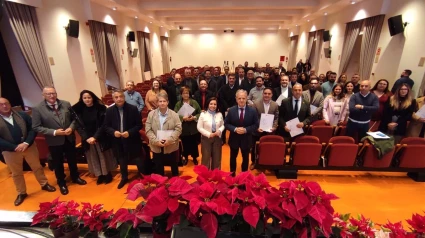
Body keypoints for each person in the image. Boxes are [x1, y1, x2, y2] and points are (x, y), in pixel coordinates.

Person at [0, 97, 56, 206]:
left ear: (10, 104)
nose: (4, 106)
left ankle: (44, 184)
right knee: (16, 173)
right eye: (1, 104)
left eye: (6, 103)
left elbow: (32, 129)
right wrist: (14, 147)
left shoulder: (22, 115)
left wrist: (26, 143)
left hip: (29, 147)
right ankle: (22, 193)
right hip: (10, 151)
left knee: (37, 167)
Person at [32, 86, 86, 195]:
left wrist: (71, 128)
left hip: (69, 138)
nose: (52, 96)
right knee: (58, 163)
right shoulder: (37, 108)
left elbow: (74, 119)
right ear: (43, 95)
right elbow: (36, 127)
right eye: (48, 94)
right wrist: (55, 132)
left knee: (72, 159)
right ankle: (62, 182)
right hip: (54, 140)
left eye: (53, 93)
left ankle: (75, 177)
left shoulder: (66, 103)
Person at [71, 90, 117, 185]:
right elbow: (78, 126)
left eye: (89, 97)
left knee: (103, 157)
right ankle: (99, 175)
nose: (87, 100)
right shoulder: (78, 111)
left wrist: (95, 137)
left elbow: (104, 124)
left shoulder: (101, 108)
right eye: (85, 98)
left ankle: (107, 174)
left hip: (100, 137)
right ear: (82, 99)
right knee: (93, 157)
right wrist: (86, 137)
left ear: (92, 98)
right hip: (88, 139)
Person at [104, 90, 144, 189]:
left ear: (124, 97)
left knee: (138, 159)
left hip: (132, 139)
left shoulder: (133, 109)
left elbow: (139, 125)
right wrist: (113, 132)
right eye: (116, 97)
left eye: (121, 96)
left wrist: (129, 132)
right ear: (113, 99)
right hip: (118, 141)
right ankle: (124, 177)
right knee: (122, 160)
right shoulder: (109, 111)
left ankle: (143, 177)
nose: (119, 99)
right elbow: (106, 126)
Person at [145, 92, 182, 176]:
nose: (162, 103)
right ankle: (161, 184)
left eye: (164, 101)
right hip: (156, 145)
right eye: (160, 101)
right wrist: (155, 141)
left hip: (171, 145)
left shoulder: (174, 115)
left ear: (167, 102)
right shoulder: (151, 114)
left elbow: (178, 129)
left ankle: (175, 184)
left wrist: (170, 140)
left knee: (174, 167)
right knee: (158, 167)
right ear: (157, 103)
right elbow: (148, 129)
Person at [224, 89, 259, 174]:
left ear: (246, 98)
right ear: (236, 99)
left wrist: (246, 130)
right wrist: (235, 129)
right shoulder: (231, 110)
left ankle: (244, 176)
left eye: (243, 98)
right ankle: (232, 175)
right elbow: (226, 124)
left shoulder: (253, 111)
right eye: (239, 98)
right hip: (234, 138)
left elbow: (256, 125)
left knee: (245, 159)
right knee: (233, 158)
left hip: (246, 139)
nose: (241, 100)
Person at [251, 88, 279, 170]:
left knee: (268, 147)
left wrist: (274, 127)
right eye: (265, 93)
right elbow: (253, 118)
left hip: (270, 131)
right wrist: (257, 127)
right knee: (254, 147)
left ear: (272, 95)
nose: (267, 95)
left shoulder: (275, 105)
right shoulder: (255, 104)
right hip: (258, 130)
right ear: (262, 94)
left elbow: (276, 117)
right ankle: (254, 162)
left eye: (269, 94)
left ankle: (267, 162)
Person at [174, 86, 201, 165]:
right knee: (185, 143)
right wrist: (183, 118)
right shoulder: (178, 104)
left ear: (189, 94)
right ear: (181, 94)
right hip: (184, 127)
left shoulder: (194, 102)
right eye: (183, 93)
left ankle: (194, 157)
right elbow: (175, 115)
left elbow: (200, 112)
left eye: (187, 93)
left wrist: (194, 117)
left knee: (194, 143)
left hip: (193, 126)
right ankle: (185, 157)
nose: (185, 95)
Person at [197, 97, 224, 169]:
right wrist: (209, 134)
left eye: (215, 104)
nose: (213, 106)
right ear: (208, 104)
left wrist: (219, 130)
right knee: (206, 158)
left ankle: (216, 176)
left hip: (217, 138)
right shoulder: (203, 114)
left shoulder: (220, 114)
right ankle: (205, 176)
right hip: (206, 138)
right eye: (211, 104)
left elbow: (223, 125)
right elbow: (199, 127)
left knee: (217, 159)